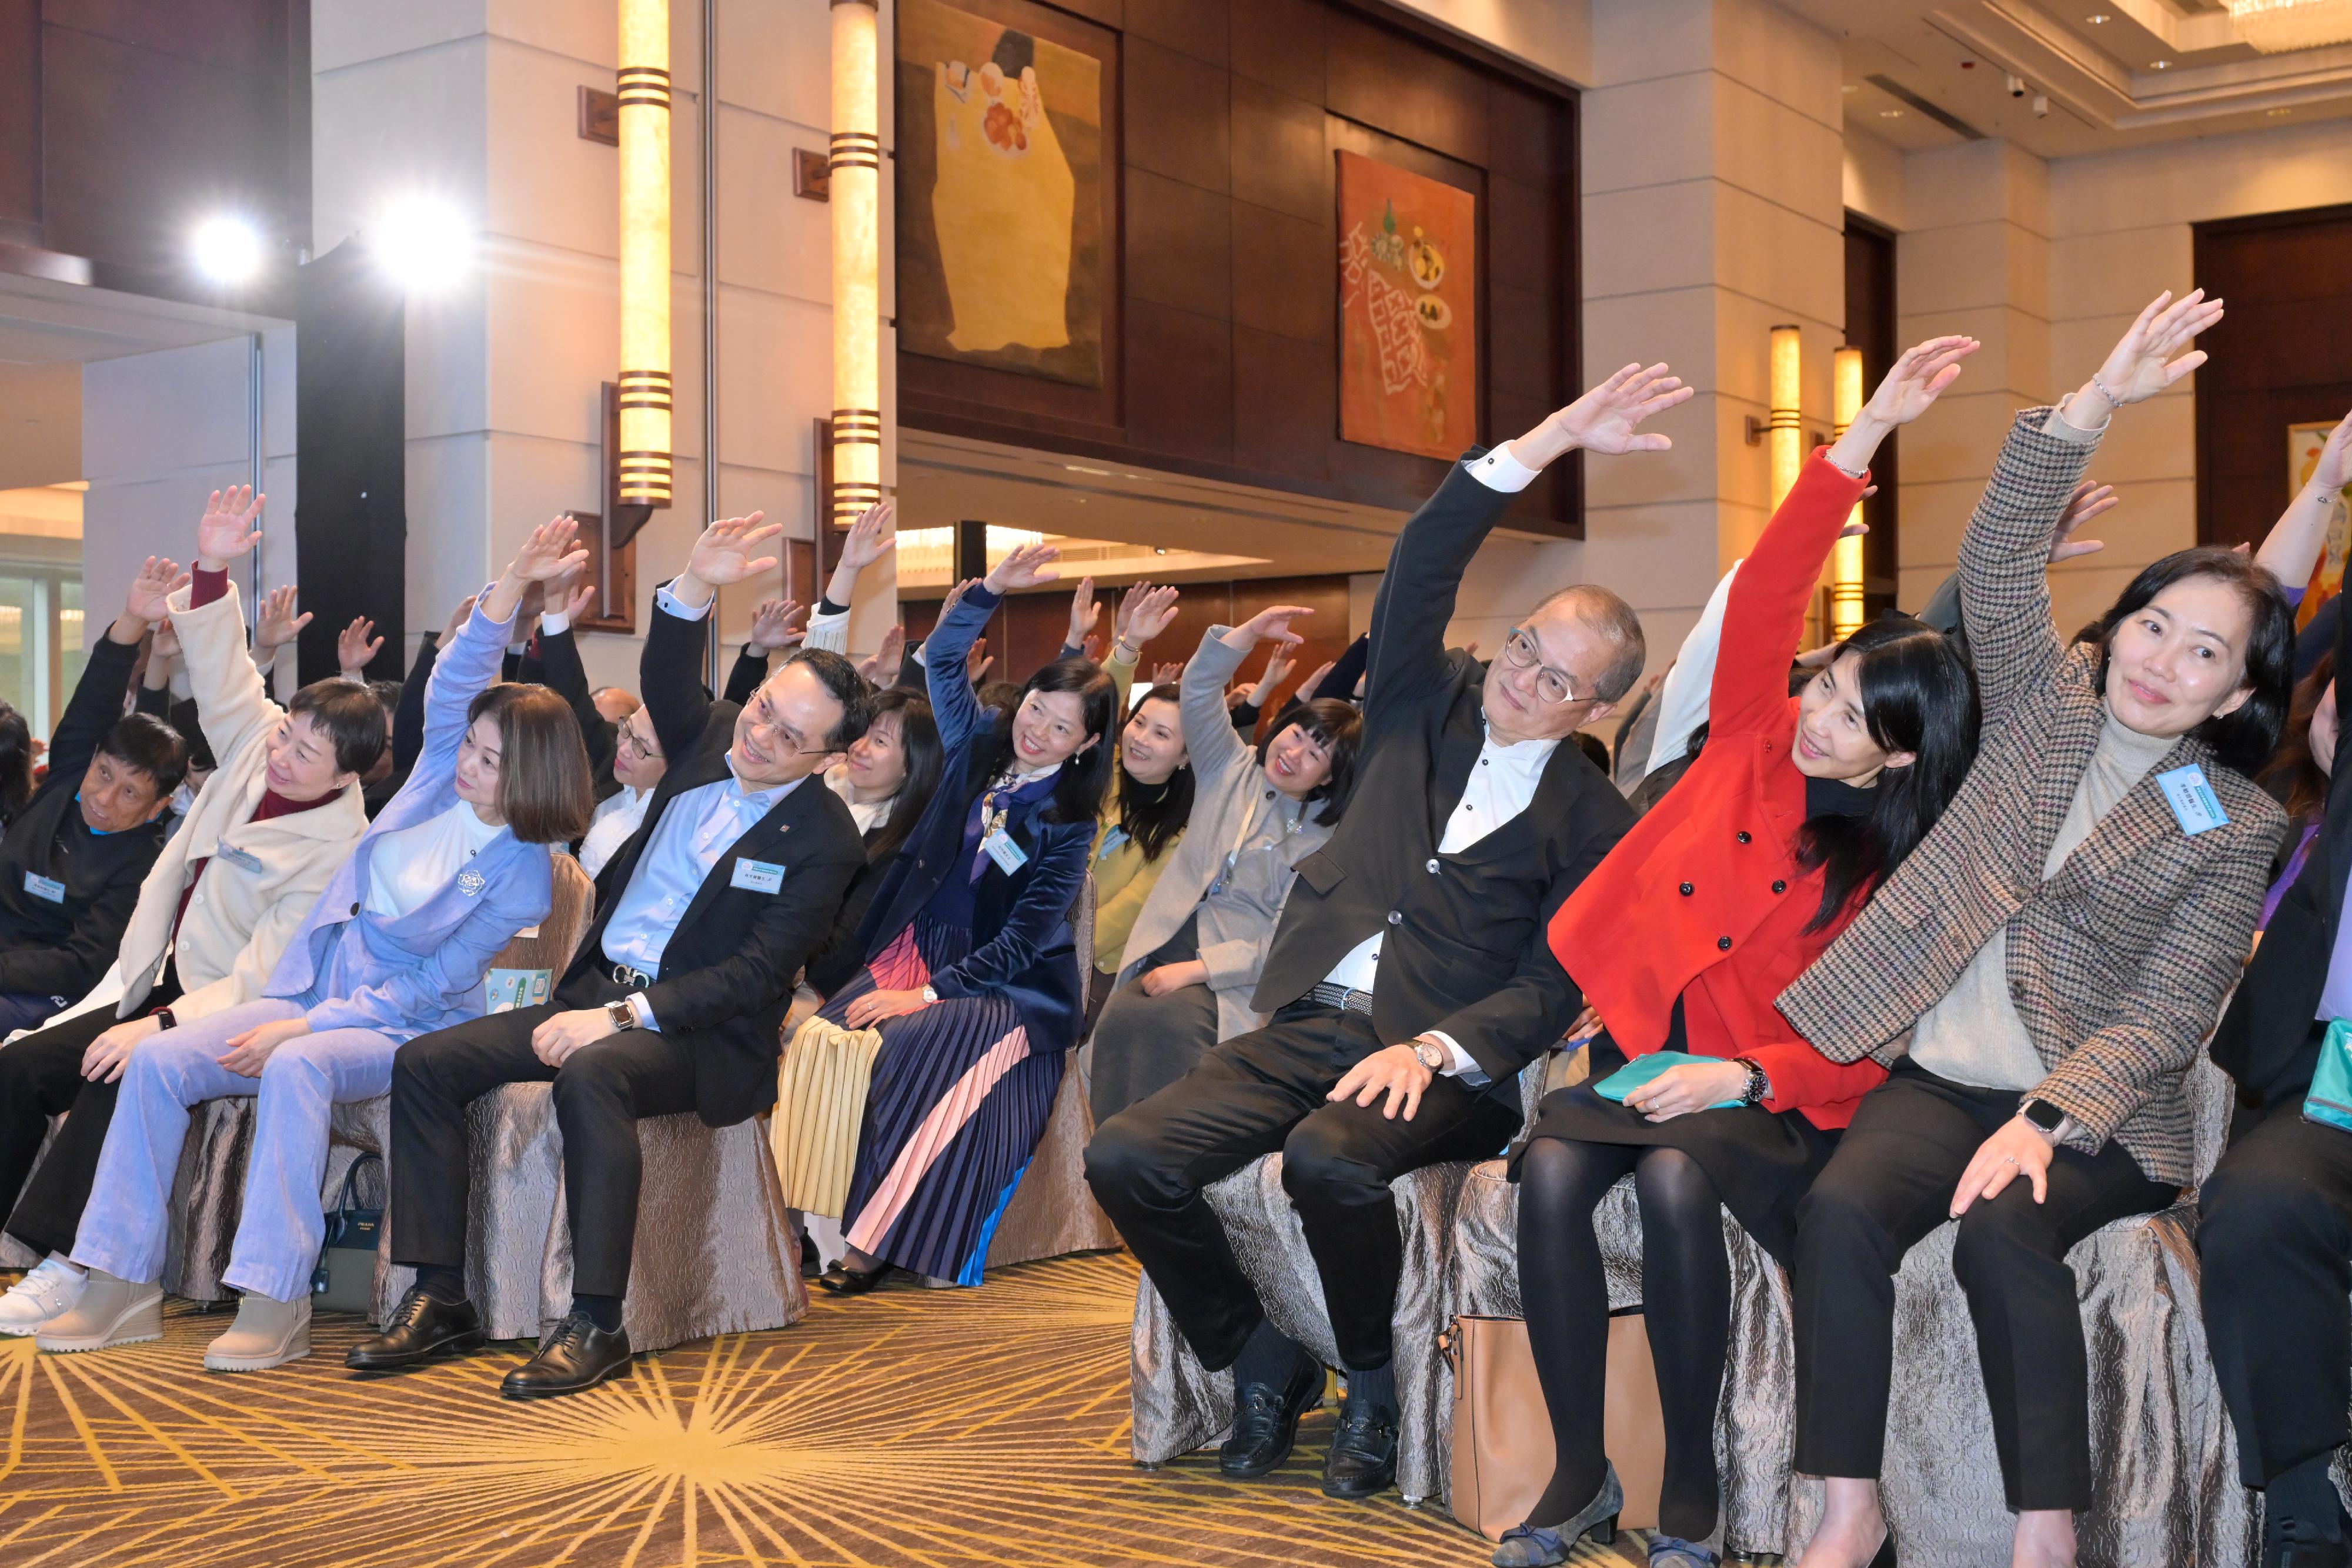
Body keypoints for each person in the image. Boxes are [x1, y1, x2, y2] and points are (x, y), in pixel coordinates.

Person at [1085, 363, 1687, 1502]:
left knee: (1329, 1158)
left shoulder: (1593, 820)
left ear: (1597, 707)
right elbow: (1423, 556)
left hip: (1447, 1061)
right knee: (1125, 1155)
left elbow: (1549, 984)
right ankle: (1258, 1356)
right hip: (1311, 1017)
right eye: (1524, 648)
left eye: (1557, 680)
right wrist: (1550, 439)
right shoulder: (1424, 695)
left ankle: (1370, 1378)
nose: (1522, 681)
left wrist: (1436, 1050)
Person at [1776, 292, 2291, 1568]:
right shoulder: (2040, 704)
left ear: (2236, 693)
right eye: (2152, 623)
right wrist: (2095, 399)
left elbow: (2170, 1010)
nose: (2161, 660)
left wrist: (2047, 1118)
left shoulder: (2234, 820)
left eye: (2203, 652)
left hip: (2098, 1108)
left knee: (2007, 1230)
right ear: (2119, 624)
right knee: (1838, 1212)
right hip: (1941, 1077)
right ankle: (1847, 1505)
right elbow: (2001, 559)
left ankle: (2044, 1531)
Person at [1497, 339, 1987, 1568]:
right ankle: (1577, 1472)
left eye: (1855, 722)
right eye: (1829, 689)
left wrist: (1748, 1074)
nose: (1821, 722)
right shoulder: (1751, 736)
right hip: (1648, 1056)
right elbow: (1771, 583)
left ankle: (1694, 1491)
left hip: (1769, 1096)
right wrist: (1861, 434)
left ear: (1898, 757)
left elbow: (1868, 1047)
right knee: (1547, 1171)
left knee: (1675, 1180)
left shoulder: (1900, 866)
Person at [31, 510, 594, 1372]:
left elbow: (430, 985)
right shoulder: (435, 778)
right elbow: (459, 673)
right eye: (472, 746)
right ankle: (117, 1278)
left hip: (397, 1024)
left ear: (530, 776)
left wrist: (303, 1024)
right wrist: (514, 581)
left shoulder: (524, 873)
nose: (466, 764)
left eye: (489, 760)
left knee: (297, 1064)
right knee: (158, 1061)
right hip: (306, 987)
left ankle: (274, 1296)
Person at [349, 510, 869, 1400]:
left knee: (594, 1074)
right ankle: (440, 1293)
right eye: (764, 710)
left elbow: (753, 976)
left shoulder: (825, 840)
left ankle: (596, 1319)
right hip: (594, 991)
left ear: (830, 758)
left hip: (700, 1035)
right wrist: (696, 582)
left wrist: (622, 1017)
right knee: (426, 1063)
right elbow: (667, 669)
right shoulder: (708, 739)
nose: (761, 737)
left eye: (791, 737)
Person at [0, 506, 385, 1337]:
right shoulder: (258, 744)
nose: (281, 754)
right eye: (287, 735)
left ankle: (69, 1264)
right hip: (155, 968)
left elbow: (260, 977)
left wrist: (162, 1023)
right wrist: (212, 568)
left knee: (115, 1069)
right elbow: (224, 670)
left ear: (345, 776)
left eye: (305, 753)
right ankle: (10, 1244)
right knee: (23, 1064)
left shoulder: (338, 848)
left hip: (226, 1004)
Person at [811, 541, 1117, 1296]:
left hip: (1007, 988)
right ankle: (802, 1223)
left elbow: (1021, 942)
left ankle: (870, 1245)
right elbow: (941, 660)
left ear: (1087, 745)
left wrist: (923, 996)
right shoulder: (977, 745)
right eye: (1036, 709)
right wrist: (989, 590)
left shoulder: (1068, 822)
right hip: (917, 945)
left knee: (905, 1046)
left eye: (1061, 729)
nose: (1037, 731)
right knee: (823, 1038)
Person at [2201, 407, 2352, 1568]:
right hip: (2318, 1076)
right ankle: (2299, 1493)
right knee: (2256, 1202)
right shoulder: (2276, 806)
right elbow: (2260, 638)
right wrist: (2327, 482)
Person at [1088, 606, 1361, 1122]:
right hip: (1165, 938)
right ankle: (1104, 1146)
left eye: (1315, 754)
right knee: (1122, 1017)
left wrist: (1198, 970)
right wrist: (1248, 633)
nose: (1294, 752)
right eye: (1297, 734)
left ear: (1329, 777)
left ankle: (1147, 1150)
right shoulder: (1229, 766)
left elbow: (1285, 943)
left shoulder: (1325, 841)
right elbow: (1198, 689)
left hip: (1230, 976)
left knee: (1165, 1028)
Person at [0, 564, 188, 1037]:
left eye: (130, 792)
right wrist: (133, 619)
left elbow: (78, 965)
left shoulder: (142, 865)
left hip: (40, 993)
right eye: (103, 773)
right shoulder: (67, 780)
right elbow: (94, 700)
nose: (103, 798)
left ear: (158, 807)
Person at [804, 686, 946, 999]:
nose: (860, 747)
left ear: (912, 765)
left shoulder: (898, 849)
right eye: (863, 733)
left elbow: (839, 950)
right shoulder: (818, 790)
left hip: (815, 985)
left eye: (880, 741)